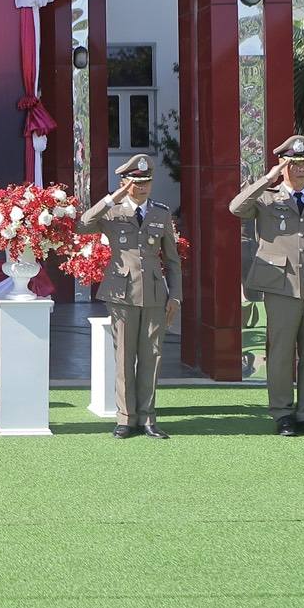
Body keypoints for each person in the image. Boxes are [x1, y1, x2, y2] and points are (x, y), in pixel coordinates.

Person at [230, 135, 304, 437]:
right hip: (280, 286)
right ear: (283, 165)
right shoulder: (268, 198)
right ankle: (282, 414)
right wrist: (268, 178)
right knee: (280, 353)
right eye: (293, 164)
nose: (300, 169)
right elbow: (236, 207)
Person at [77, 154, 183, 439]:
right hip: (121, 293)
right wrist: (112, 198)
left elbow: (172, 260)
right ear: (125, 182)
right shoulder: (112, 212)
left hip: (154, 294)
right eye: (136, 182)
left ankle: (147, 417)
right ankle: (125, 418)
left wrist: (175, 296)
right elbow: (83, 224)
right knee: (124, 357)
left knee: (152, 357)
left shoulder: (160, 213)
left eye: (147, 181)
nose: (142, 187)